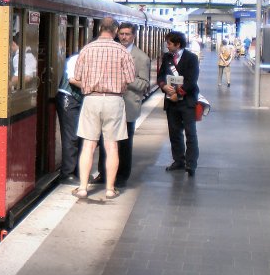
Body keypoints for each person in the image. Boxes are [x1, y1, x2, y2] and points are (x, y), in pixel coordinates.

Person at [71, 17, 135, 200]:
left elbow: (77, 76)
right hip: (114, 100)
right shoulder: (122, 51)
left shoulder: (87, 49)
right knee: (112, 146)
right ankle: (109, 189)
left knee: (88, 145)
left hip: (91, 99)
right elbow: (130, 79)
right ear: (115, 31)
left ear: (100, 29)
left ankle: (82, 188)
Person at [96, 22, 151, 187]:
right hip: (108, 103)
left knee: (125, 143)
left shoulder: (141, 57)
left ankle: (122, 176)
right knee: (105, 139)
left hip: (128, 106)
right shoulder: (111, 52)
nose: (124, 37)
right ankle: (103, 173)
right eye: (121, 34)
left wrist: (124, 77)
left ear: (133, 36)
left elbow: (144, 84)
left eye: (127, 34)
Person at [158, 30, 200, 177]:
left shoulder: (191, 58)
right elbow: (161, 75)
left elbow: (191, 80)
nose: (167, 46)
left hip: (187, 102)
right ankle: (178, 160)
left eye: (169, 43)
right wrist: (164, 86)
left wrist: (178, 94)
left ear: (178, 44)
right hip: (171, 102)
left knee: (190, 133)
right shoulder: (167, 58)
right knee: (174, 132)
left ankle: (191, 164)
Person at [55, 52, 82, 184]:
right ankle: (67, 173)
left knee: (80, 136)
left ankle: (77, 170)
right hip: (68, 98)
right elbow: (72, 79)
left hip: (80, 99)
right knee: (71, 136)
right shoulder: (75, 59)